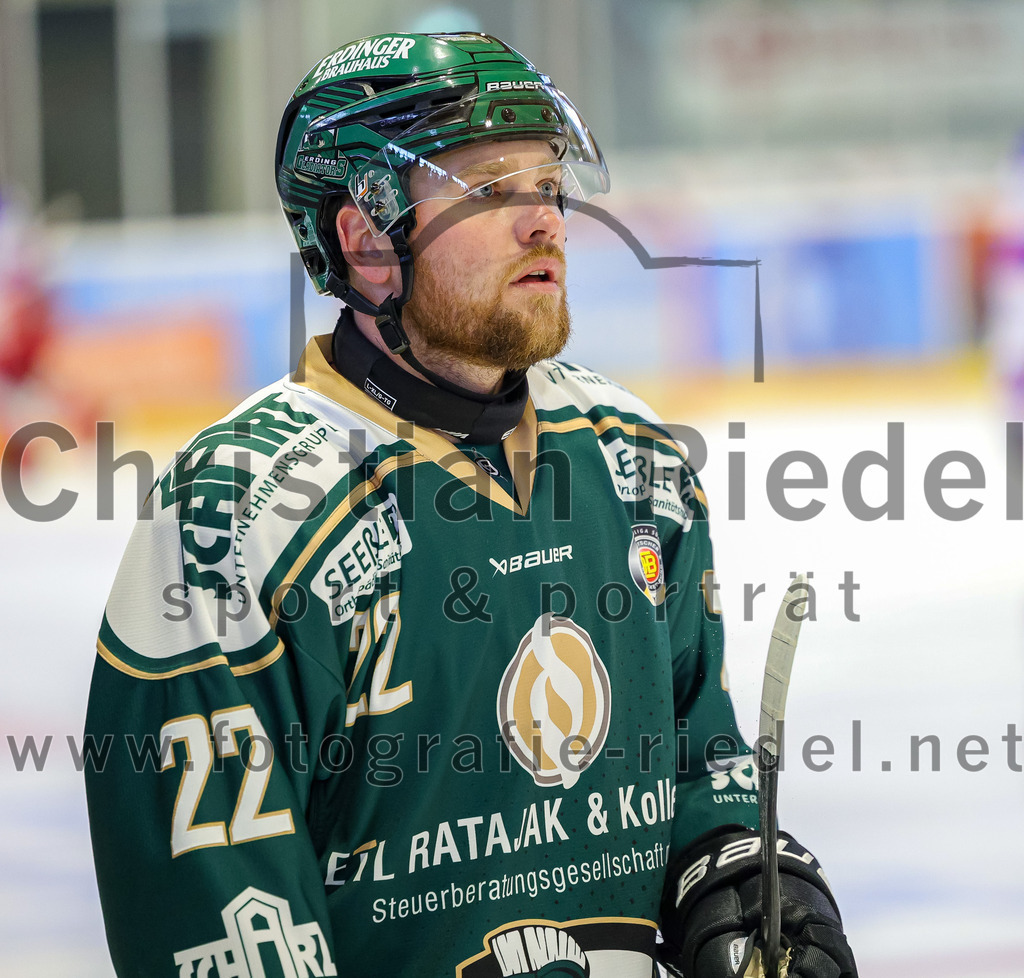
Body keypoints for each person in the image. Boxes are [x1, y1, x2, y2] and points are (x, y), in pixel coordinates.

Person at [85, 32, 857, 978]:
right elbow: (214, 911)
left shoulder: (632, 456)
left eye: (549, 184)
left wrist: (730, 873)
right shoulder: (241, 515)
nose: (546, 223)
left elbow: (697, 758)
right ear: (367, 240)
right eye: (491, 190)